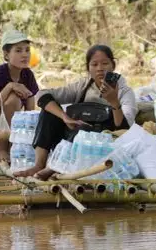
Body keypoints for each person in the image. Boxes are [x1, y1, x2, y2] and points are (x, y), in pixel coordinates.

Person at [13, 45, 137, 178]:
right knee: (49, 112)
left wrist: (114, 101)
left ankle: (55, 168)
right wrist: (64, 117)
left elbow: (124, 129)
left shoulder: (125, 92)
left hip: (99, 144)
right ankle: (39, 164)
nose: (100, 68)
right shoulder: (82, 86)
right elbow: (42, 94)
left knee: (84, 128)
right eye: (94, 64)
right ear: (88, 68)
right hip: (72, 136)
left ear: (113, 65)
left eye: (105, 63)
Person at [0, 30, 40, 162]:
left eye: (27, 50)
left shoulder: (28, 75)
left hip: (14, 138)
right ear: (6, 55)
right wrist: (9, 87)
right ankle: (2, 149)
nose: (24, 55)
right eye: (18, 50)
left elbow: (29, 112)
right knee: (13, 99)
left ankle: (12, 148)